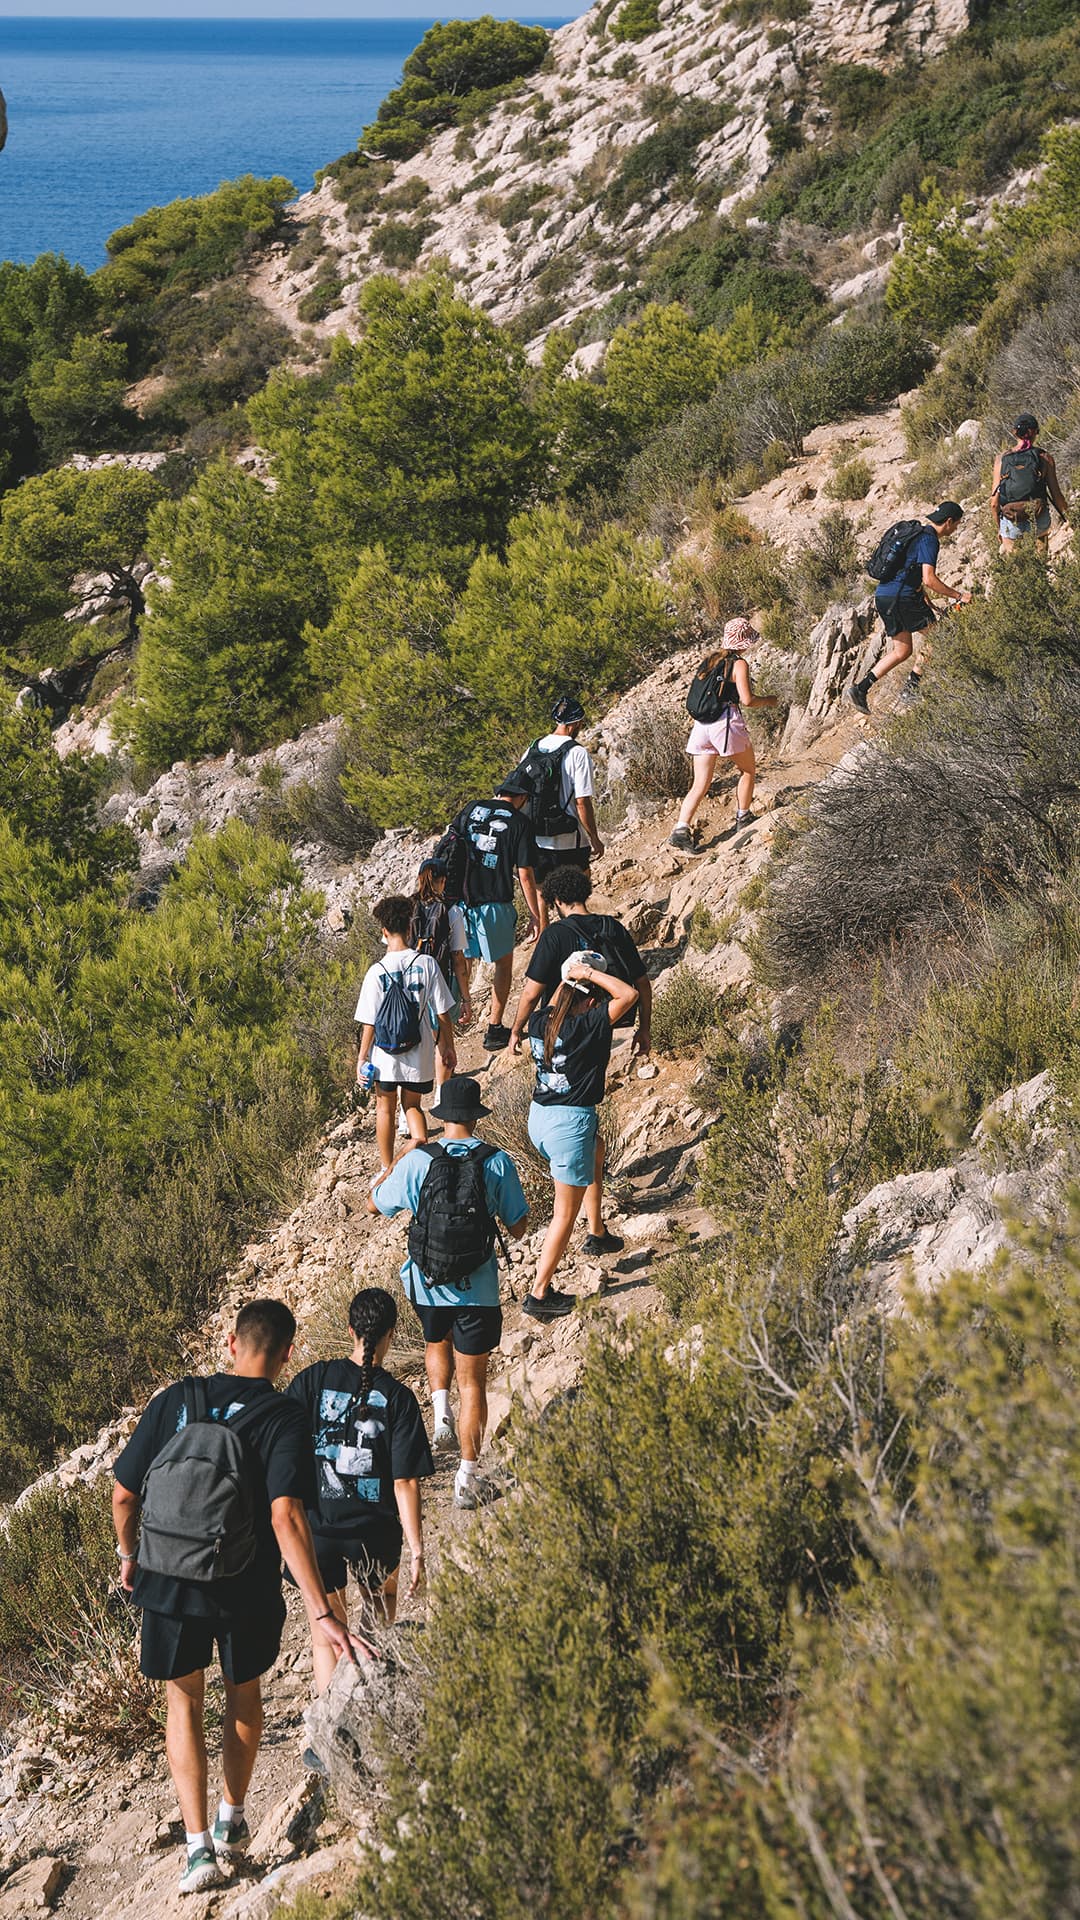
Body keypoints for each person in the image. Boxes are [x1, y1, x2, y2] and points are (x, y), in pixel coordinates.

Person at [112, 1300, 361, 1898]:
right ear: (287, 1353)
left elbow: (123, 1494)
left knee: (184, 1703)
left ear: (230, 1342)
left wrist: (130, 1556)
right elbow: (285, 1516)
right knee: (243, 1693)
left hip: (169, 1579)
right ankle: (231, 1817)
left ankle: (197, 1852)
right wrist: (321, 1610)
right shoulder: (283, 1416)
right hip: (243, 1582)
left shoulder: (177, 1399)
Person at [369, 1076, 529, 1508]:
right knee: (473, 1383)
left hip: (426, 1283)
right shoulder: (497, 1162)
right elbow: (518, 1226)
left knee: (434, 1340)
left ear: (442, 1117)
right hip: (477, 1289)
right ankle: (467, 1477)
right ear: (476, 1118)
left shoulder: (419, 1161)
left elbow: (376, 1204)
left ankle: (439, 1411)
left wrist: (397, 1159)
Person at [286, 1288, 433, 1691]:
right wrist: (418, 1549)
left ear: (350, 1330)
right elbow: (404, 1481)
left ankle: (327, 1732)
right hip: (375, 1532)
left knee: (326, 1635)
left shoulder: (312, 1379)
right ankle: (369, 1710)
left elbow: (284, 1445)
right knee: (376, 1625)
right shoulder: (399, 1399)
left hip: (318, 1528)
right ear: (392, 1333)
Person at [515, 954, 638, 1321]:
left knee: (596, 1149)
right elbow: (629, 995)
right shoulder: (586, 1026)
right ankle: (539, 1293)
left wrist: (569, 977)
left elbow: (559, 1000)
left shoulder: (541, 1022)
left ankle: (597, 1232)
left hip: (540, 1118)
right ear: (588, 1001)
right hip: (570, 1125)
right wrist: (589, 973)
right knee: (564, 1215)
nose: (598, 1004)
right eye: (594, 999)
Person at [508, 864, 652, 1067]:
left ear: (557, 900)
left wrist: (516, 1030)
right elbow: (643, 983)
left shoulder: (554, 935)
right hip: (605, 1019)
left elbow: (532, 993)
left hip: (564, 1027)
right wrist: (644, 1028)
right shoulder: (612, 927)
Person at [355, 894, 457, 1177]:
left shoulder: (376, 972)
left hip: (385, 1055)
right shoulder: (427, 964)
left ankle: (387, 1168)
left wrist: (362, 1058)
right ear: (410, 927)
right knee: (412, 1105)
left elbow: (369, 1023)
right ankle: (420, 1147)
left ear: (384, 932)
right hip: (420, 1051)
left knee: (384, 1108)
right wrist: (447, 1047)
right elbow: (443, 1013)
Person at [441, 775, 541, 1053]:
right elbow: (525, 873)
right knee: (503, 964)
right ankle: (494, 1029)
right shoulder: (520, 823)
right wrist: (535, 915)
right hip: (494, 903)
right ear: (521, 797)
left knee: (461, 961)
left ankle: (447, 1029)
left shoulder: (472, 808)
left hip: (458, 902)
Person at [849, 503, 970, 714]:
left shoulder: (916, 535)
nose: (956, 529)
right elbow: (929, 579)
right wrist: (959, 595)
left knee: (902, 651)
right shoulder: (929, 540)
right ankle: (912, 688)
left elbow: (909, 572)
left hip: (884, 596)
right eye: (957, 525)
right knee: (940, 637)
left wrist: (925, 598)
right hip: (902, 597)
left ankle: (861, 689)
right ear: (949, 522)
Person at [669, 617, 777, 852]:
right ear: (743, 642)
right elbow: (747, 700)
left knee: (700, 783)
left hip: (701, 727)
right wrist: (769, 700)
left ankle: (680, 829)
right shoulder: (738, 664)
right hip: (725, 724)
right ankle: (743, 816)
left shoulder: (710, 660)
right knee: (747, 769)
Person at [518, 695, 604, 930]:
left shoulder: (533, 748)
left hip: (537, 836)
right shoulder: (577, 753)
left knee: (541, 891)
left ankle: (545, 938)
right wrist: (594, 839)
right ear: (575, 724)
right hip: (569, 838)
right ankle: (577, 934)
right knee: (576, 893)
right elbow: (582, 802)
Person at [401, 858, 472, 1130]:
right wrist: (465, 998)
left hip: (408, 986)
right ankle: (442, 1094)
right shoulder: (451, 912)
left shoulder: (405, 908)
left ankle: (406, 1115)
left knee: (413, 1044)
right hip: (439, 982)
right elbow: (458, 958)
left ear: (420, 878)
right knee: (443, 1039)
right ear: (442, 880)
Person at [991, 414, 1068, 556]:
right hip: (1039, 517)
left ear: (1014, 432)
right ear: (1035, 433)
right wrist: (1069, 517)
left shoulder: (1001, 460)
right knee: (1040, 563)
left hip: (1010, 519)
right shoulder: (1044, 458)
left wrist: (1000, 529)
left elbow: (994, 503)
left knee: (1016, 567)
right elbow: (1056, 495)